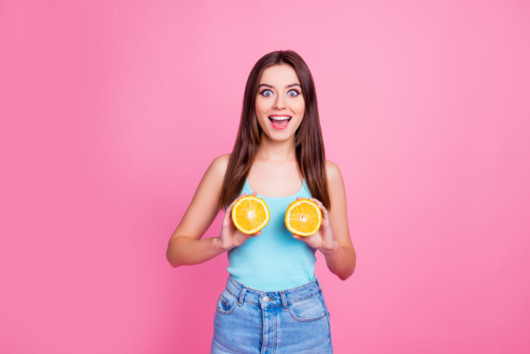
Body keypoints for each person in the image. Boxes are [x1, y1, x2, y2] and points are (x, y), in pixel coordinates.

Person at [166, 50, 356, 353]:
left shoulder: (325, 174)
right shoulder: (225, 170)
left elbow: (346, 268)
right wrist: (221, 243)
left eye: (292, 92)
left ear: (307, 103)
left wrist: (329, 247)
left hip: (304, 319)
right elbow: (175, 252)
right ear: (252, 103)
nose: (280, 104)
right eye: (267, 92)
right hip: (237, 319)